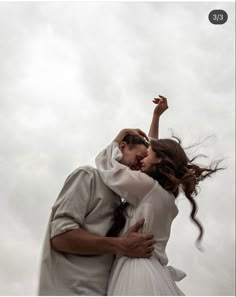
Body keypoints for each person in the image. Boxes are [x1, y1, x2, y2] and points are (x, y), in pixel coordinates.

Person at [38, 96, 168, 295]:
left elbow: (153, 160)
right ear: (123, 147)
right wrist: (120, 245)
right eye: (138, 158)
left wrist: (156, 118)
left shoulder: (124, 196)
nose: (139, 165)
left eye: (143, 161)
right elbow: (60, 237)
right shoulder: (88, 176)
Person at [95, 128, 222, 295]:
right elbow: (153, 148)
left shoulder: (147, 188)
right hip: (154, 270)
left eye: (145, 156)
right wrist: (156, 117)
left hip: (135, 272)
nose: (140, 161)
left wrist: (121, 135)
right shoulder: (166, 197)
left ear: (160, 159)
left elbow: (107, 166)